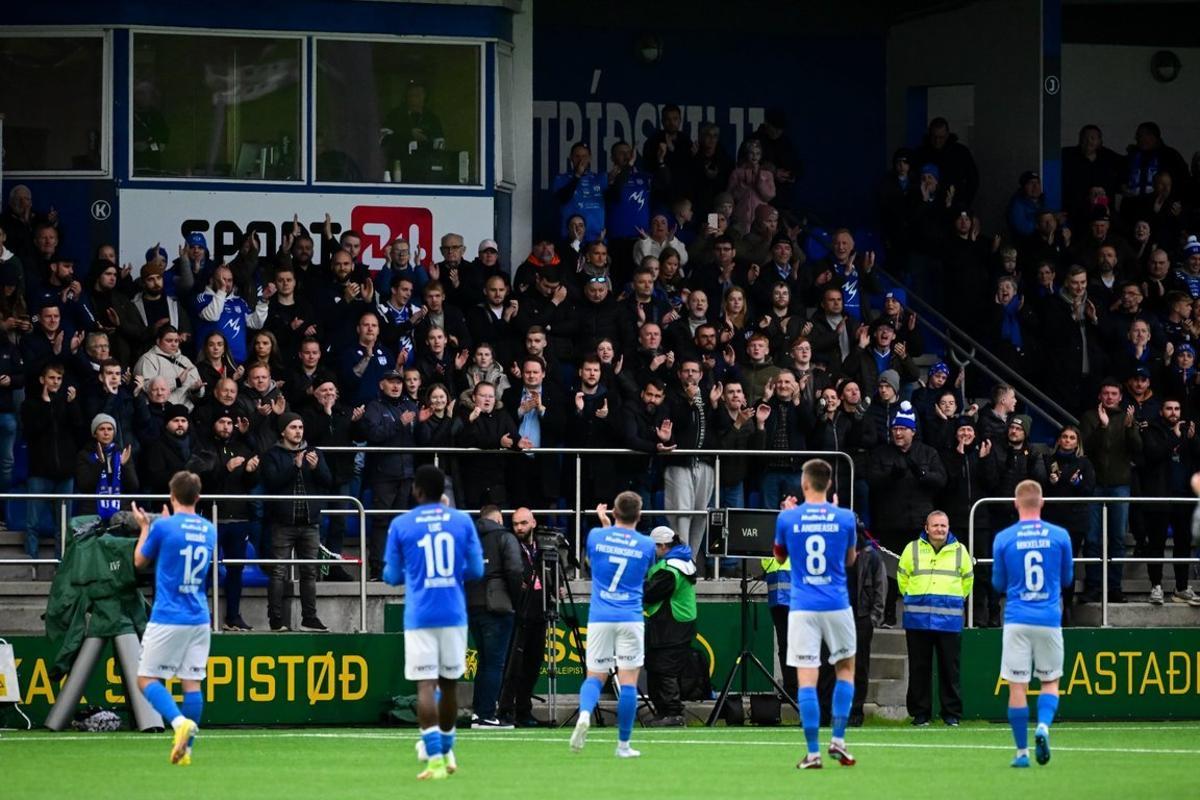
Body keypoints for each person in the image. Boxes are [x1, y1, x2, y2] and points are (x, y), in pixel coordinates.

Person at [384, 464, 484, 781]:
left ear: (416, 491)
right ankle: (447, 746)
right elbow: (477, 571)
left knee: (425, 685)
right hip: (454, 612)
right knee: (450, 684)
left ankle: (436, 759)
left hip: (420, 615)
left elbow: (391, 575)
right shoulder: (461, 520)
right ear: (443, 492)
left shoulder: (401, 524)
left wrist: (414, 573)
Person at [774, 458, 858, 769]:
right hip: (837, 603)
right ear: (830, 484)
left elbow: (780, 557)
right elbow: (850, 560)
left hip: (802, 606)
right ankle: (838, 739)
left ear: (805, 484)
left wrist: (786, 515)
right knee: (845, 670)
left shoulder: (788, 518)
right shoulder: (846, 517)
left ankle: (812, 753)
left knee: (807, 679)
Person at [132, 471, 217, 766]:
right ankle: (186, 749)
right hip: (199, 615)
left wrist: (146, 527)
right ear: (198, 497)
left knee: (145, 678)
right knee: (192, 683)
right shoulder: (209, 529)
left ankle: (178, 722)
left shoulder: (164, 527)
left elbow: (140, 561)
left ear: (172, 496)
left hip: (169, 615)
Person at [992, 480, 1073, 768]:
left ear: (1016, 503)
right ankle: (1044, 727)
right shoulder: (1060, 535)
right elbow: (1066, 580)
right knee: (1050, 680)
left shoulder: (1004, 538)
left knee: (1017, 686)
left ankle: (1021, 753)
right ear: (1042, 503)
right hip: (1049, 618)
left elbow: (998, 582)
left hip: (1016, 618)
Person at [570, 491, 656, 758]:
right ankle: (623, 745)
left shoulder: (595, 536)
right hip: (630, 616)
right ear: (639, 516)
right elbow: (643, 569)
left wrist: (605, 525)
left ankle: (585, 714)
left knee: (594, 676)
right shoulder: (647, 544)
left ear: (614, 512)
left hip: (600, 616)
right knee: (628, 681)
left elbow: (594, 563)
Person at [897, 511, 974, 727]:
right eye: (936, 525)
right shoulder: (911, 549)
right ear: (927, 527)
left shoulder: (960, 551)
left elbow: (967, 581)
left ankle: (951, 714)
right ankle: (920, 714)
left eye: (943, 525)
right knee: (919, 669)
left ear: (948, 528)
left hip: (949, 619)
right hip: (918, 620)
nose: (940, 529)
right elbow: (902, 578)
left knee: (950, 669)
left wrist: (954, 601)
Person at [259, 412, 332, 633]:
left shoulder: (314, 453)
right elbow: (272, 483)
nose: (298, 431)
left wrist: (316, 467)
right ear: (283, 431)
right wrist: (294, 467)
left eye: (300, 427)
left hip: (309, 523)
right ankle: (276, 620)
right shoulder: (273, 454)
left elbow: (328, 482)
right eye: (293, 427)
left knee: (309, 572)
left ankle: (309, 618)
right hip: (283, 523)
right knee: (278, 572)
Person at [465, 505, 523, 729]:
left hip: (472, 604)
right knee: (494, 664)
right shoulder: (504, 537)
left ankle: (479, 712)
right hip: (498, 606)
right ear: (499, 518)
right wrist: (516, 600)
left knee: (484, 662)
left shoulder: (469, 539)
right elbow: (515, 570)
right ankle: (487, 714)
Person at [643, 525, 698, 727]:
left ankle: (672, 713)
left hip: (670, 623)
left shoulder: (669, 569)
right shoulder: (684, 562)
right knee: (661, 667)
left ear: (663, 546)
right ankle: (665, 712)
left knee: (664, 668)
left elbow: (649, 593)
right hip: (677, 623)